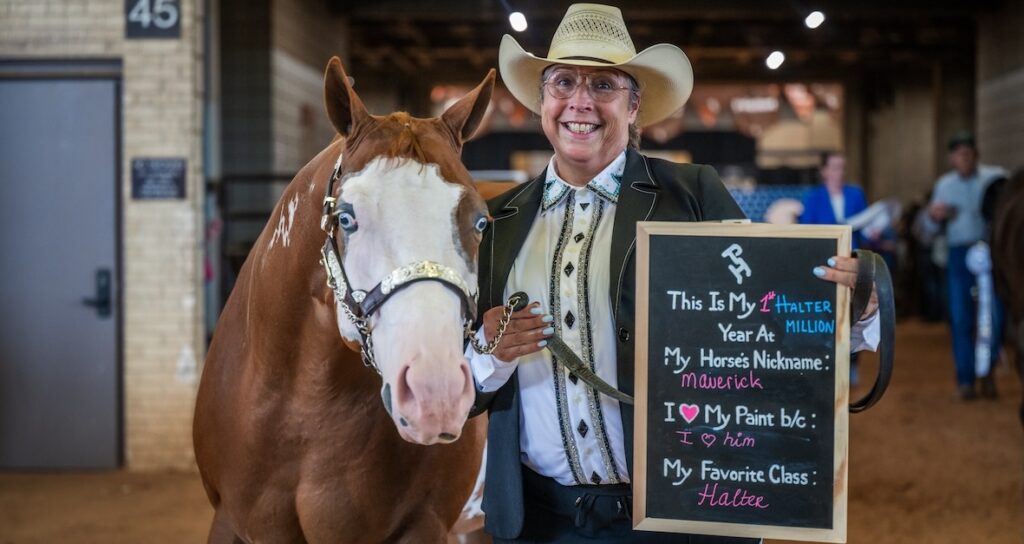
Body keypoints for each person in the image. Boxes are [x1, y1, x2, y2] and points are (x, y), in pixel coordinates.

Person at [466, 5, 880, 542]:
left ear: (634, 106)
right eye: (564, 82)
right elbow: (462, 383)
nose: (580, 101)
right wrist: (487, 355)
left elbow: (763, 330)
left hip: (682, 511)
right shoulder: (498, 221)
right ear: (543, 102)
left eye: (604, 85)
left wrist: (859, 310)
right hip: (541, 521)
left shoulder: (694, 193)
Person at [922, 131, 1008, 400]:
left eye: (968, 151)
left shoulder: (995, 178)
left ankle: (988, 372)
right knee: (961, 318)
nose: (965, 156)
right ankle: (966, 379)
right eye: (959, 152)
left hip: (990, 253)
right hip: (958, 255)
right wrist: (934, 216)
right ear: (952, 158)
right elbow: (927, 228)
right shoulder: (944, 186)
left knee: (993, 315)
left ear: (976, 154)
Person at [799, 151, 870, 385]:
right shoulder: (813, 198)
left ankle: (852, 366)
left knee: (855, 316)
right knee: (827, 317)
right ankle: (828, 366)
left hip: (854, 265)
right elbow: (805, 232)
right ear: (824, 171)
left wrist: (876, 232)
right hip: (826, 266)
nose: (840, 172)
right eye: (835, 167)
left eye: (843, 167)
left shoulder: (856, 194)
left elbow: (867, 226)